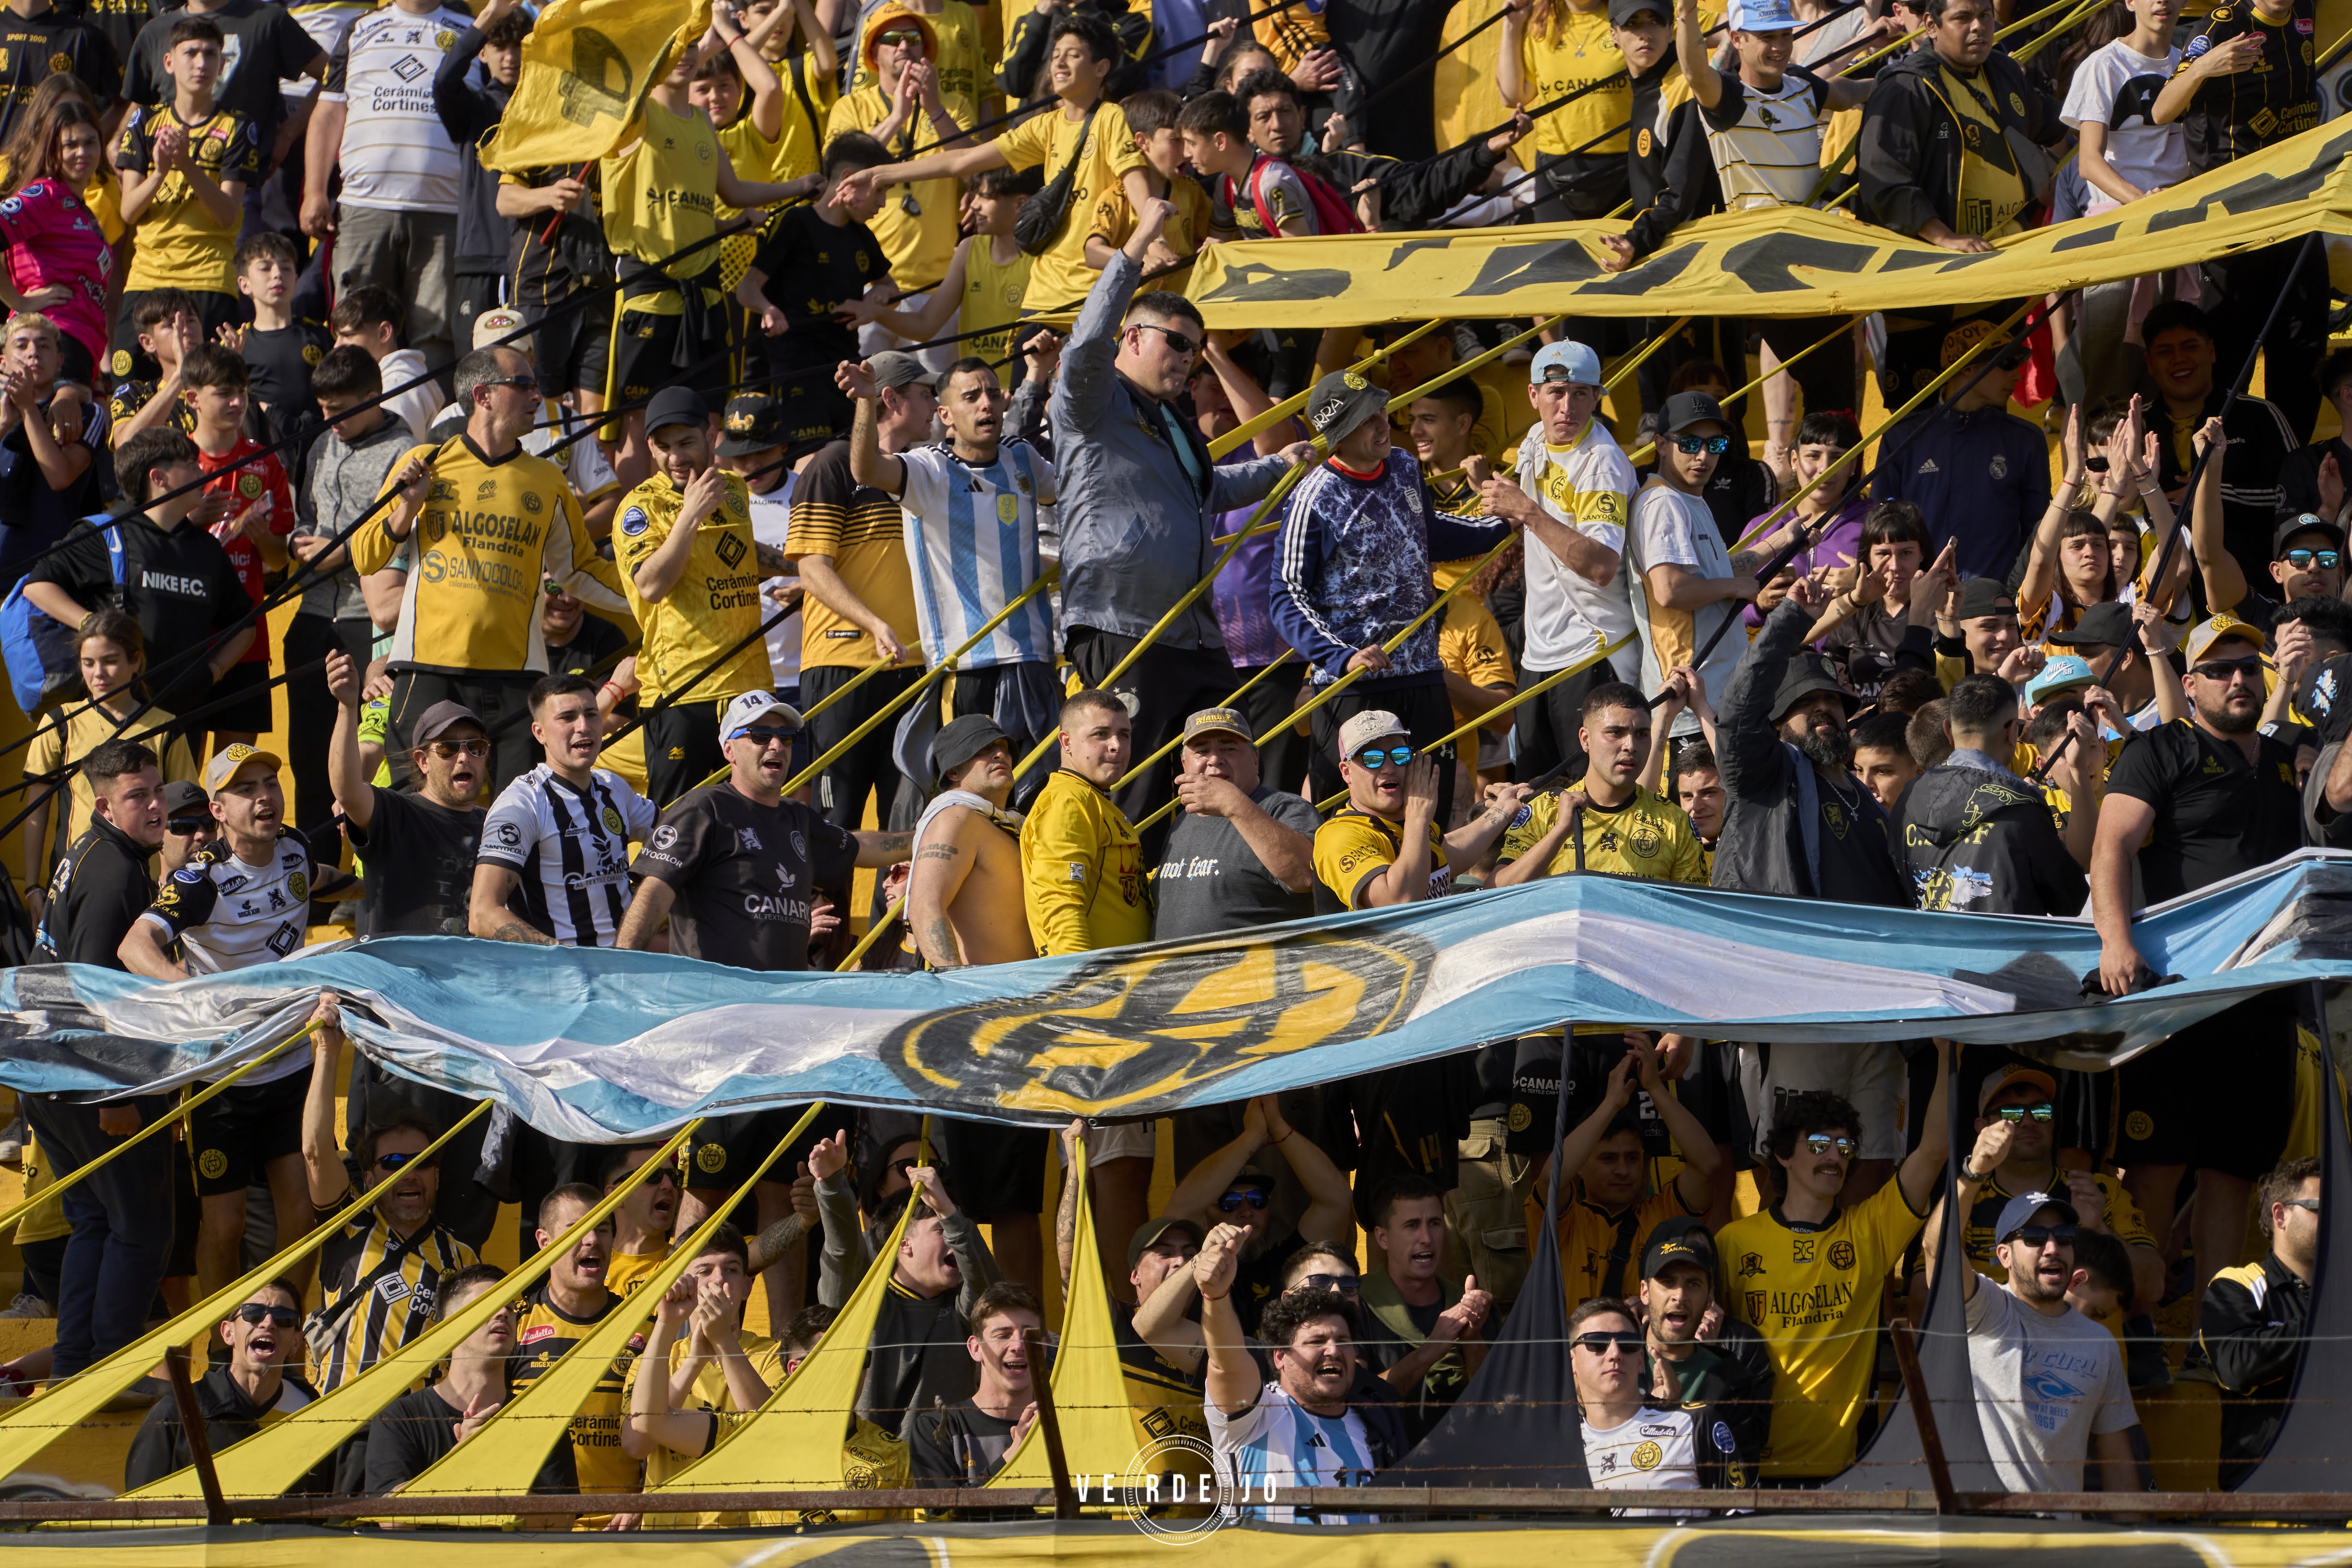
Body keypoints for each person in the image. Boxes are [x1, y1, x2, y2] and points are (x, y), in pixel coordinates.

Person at [1044, 196, 1303, 828]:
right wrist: (1136, 245)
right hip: (1122, 624)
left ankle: (1208, 877)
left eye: (1196, 348)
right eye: (1177, 343)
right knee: (1135, 788)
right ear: (1132, 338)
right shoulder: (1092, 400)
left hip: (1192, 633)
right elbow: (1085, 344)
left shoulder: (1172, 422)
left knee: (1225, 765)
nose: (1188, 358)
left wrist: (1281, 466)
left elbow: (1204, 493)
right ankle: (1128, 889)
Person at [2093, 613, 2302, 1296]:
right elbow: (2110, 845)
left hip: (2264, 994)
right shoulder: (2156, 749)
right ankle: (2140, 1321)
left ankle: (2212, 1328)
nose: (2237, 680)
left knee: (2233, 1172)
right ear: (2188, 684)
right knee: (2155, 1164)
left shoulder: (2285, 759)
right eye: (2218, 670)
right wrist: (2114, 941)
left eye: (2246, 668)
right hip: (2176, 993)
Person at [353, 346, 633, 791]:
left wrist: (655, 591)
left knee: (518, 811)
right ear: (483, 395)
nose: (537, 396)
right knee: (417, 807)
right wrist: (406, 508)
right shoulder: (427, 462)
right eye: (524, 385)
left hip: (515, 677)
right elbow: (365, 555)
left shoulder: (548, 480)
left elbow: (579, 570)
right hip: (428, 668)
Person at [1714, 583, 1913, 1178]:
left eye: (1833, 700)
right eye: (1807, 703)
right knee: (1793, 1156)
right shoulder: (1768, 777)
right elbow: (1736, 715)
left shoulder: (1871, 804)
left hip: (1876, 1007)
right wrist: (1788, 620)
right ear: (1778, 721)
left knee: (1875, 1158)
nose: (1825, 709)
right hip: (1801, 999)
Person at [117, 745, 314, 1296]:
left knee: (302, 1214)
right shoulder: (200, 879)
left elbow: (313, 878)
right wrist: (191, 995)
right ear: (219, 810)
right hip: (222, 1079)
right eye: (245, 789)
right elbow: (134, 946)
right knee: (225, 1227)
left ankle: (288, 1324)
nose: (264, 797)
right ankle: (221, 1338)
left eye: (270, 783)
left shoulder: (297, 846)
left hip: (292, 1065)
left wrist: (365, 889)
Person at [1272, 366, 1514, 810]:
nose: (1384, 425)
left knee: (1431, 813)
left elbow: (1428, 533)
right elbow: (1286, 596)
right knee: (1352, 821)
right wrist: (1342, 657)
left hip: (1423, 676)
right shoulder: (1313, 497)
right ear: (1340, 434)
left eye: (1382, 413)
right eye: (1367, 420)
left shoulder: (1403, 464)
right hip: (1355, 686)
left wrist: (1502, 525)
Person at [1716, 1043, 1952, 1482]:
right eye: (1819, 1144)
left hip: (1837, 1476)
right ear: (1783, 1155)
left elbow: (1934, 1149)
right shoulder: (1733, 1241)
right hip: (1745, 1470)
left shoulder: (1871, 1231)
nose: (1834, 1156)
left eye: (1844, 1146)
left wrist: (1945, 1053)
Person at [18, 739, 170, 1385]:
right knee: (140, 1225)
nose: (156, 805)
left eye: (158, 791)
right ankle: (108, 1373)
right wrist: (115, 1094)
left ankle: (73, 1369)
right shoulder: (114, 875)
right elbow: (90, 990)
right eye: (138, 797)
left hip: (42, 1072)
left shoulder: (89, 851)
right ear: (105, 806)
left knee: (93, 1219)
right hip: (88, 1080)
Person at [846, 352, 1060, 787]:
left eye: (992, 393)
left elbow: (1073, 495)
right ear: (945, 415)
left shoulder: (1023, 459)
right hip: (968, 665)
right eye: (971, 396)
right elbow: (866, 469)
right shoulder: (929, 468)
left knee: (1039, 791)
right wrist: (866, 403)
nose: (986, 403)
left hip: (1034, 658)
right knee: (977, 794)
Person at [1673, 0, 1869, 427]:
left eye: (1785, 35)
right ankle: (1812, 461)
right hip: (1765, 262)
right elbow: (1694, 72)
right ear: (1738, 40)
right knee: (1829, 388)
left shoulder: (1801, 83)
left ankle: (1825, 465)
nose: (1780, 46)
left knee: (1837, 392)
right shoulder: (1726, 95)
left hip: (1817, 254)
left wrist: (1902, 81)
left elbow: (1847, 94)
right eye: (1767, 37)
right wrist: (1686, 15)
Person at [1855, 0, 2061, 397]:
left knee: (1991, 408)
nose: (1979, 27)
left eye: (1985, 16)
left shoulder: (2003, 70)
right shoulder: (1905, 86)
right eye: (1963, 18)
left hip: (2000, 273)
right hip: (1931, 290)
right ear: (1931, 26)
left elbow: (2051, 123)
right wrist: (1944, 237)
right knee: (1925, 415)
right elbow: (1885, 185)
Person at [2150, 0, 2324, 440]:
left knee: (2301, 350)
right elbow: (2161, 111)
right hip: (2236, 219)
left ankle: (2290, 465)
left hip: (2297, 208)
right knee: (2232, 353)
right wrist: (2203, 68)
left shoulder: (2304, 12)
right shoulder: (2221, 26)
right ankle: (2222, 461)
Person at [1927, 1143, 2143, 1496]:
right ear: (2005, 1256)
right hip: (1985, 1527)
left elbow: (2118, 1463)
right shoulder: (1988, 1308)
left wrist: (2132, 1529)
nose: (2053, 1248)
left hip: (2062, 1529)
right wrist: (1972, 1173)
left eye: (2065, 1236)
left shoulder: (2100, 1343)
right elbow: (1937, 1249)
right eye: (2035, 1237)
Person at [611, 387, 790, 804]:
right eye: (664, 447)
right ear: (650, 448)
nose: (676, 457)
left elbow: (739, 553)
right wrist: (690, 515)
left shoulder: (732, 488)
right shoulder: (640, 507)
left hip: (750, 685)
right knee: (680, 822)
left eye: (686, 443)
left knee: (758, 813)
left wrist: (804, 565)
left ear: (711, 437)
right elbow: (651, 585)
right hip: (683, 689)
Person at [1478, 340, 1641, 780]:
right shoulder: (1535, 439)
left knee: (1591, 795)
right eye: (1557, 392)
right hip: (1540, 653)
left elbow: (1601, 565)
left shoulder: (1602, 462)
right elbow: (1529, 524)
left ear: (1597, 397)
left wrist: (1527, 510)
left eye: (1581, 393)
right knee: (1536, 795)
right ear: (1534, 396)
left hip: (1593, 649)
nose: (1567, 406)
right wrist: (1496, 498)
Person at [300, 1003, 479, 1391]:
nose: (409, 1173)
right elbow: (316, 1152)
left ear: (437, 1175)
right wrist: (327, 1051)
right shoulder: (349, 1227)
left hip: (419, 1424)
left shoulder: (464, 1258)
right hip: (343, 1420)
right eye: (394, 1162)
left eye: (422, 1162)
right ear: (369, 1178)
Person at [788, 350, 928, 835]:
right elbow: (812, 569)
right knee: (836, 825)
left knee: (905, 826)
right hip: (843, 666)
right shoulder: (832, 463)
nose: (935, 404)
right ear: (892, 399)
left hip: (913, 667)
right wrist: (873, 624)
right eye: (925, 393)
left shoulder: (922, 470)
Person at [21, 427, 248, 726]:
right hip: (111, 719)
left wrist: (212, 672)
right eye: (191, 465)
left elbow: (245, 624)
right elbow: (38, 586)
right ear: (159, 478)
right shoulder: (106, 532)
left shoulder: (207, 549)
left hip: (182, 719)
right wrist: (92, 625)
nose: (202, 472)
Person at [1195, 1224, 1382, 1524]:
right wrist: (1216, 1296)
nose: (1333, 1350)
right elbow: (1226, 1363)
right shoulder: (1258, 1415)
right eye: (1317, 1341)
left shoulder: (1374, 1424)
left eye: (1343, 1341)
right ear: (1280, 1356)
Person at [1624, 392, 1792, 720]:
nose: (1703, 455)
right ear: (1661, 444)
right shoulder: (1663, 503)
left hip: (1713, 697)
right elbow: (1671, 590)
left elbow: (1716, 572)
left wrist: (1784, 539)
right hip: (1687, 703)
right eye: (1689, 444)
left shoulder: (1688, 499)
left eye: (1714, 444)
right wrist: (1735, 588)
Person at [358, 1261, 578, 1506]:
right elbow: (392, 1519)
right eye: (488, 1304)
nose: (503, 1312)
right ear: (449, 1326)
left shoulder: (543, 1423)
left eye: (510, 1306)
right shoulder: (399, 1417)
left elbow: (561, 1518)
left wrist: (492, 1471)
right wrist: (459, 1462)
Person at [2056, 0, 2187, 411]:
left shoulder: (2190, 65)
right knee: (2110, 388)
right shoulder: (2103, 65)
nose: (2161, 2)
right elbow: (2089, 163)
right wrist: (2142, 203)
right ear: (2129, 2)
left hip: (2180, 238)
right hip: (2117, 238)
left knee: (2171, 385)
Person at [472, 670, 658, 949]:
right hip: (561, 970)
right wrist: (565, 956)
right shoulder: (522, 803)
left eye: (591, 714)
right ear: (540, 733)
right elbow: (482, 914)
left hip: (629, 962)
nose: (584, 726)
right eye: (567, 718)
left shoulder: (614, 787)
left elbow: (677, 836)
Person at [619, 1226, 789, 1526]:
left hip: (751, 1535)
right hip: (670, 1534)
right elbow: (636, 1445)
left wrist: (723, 1340)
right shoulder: (654, 1361)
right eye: (704, 1271)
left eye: (732, 1269)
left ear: (747, 1287)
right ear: (682, 1283)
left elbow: (772, 1436)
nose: (719, 1279)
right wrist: (680, 1342)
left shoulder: (775, 1355)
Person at [1960, 1064, 2165, 1313]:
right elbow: (1927, 1295)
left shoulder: (2102, 1191)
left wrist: (2098, 1230)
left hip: (2089, 1339)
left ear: (2053, 1121)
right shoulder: (1966, 1200)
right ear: (1983, 1127)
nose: (2028, 1121)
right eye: (2011, 1113)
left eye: (2041, 1111)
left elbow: (2154, 1286)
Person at [21, 610, 199, 895]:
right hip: (75, 879)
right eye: (88, 663)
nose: (98, 673)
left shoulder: (166, 726)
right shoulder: (60, 723)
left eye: (111, 661)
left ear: (135, 661)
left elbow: (185, 809)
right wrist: (32, 886)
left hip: (148, 882)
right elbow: (36, 810)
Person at [734, 132, 892, 445]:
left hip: (845, 372)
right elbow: (747, 289)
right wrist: (767, 309)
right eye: (879, 190)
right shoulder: (796, 222)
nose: (883, 203)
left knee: (849, 457)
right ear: (848, 179)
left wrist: (878, 299)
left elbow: (889, 285)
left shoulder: (862, 236)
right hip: (796, 371)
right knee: (810, 459)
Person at [1897, 673, 2097, 914]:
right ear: (2013, 732)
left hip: (1927, 938)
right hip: (2004, 939)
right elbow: (2070, 900)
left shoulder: (1907, 797)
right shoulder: (2022, 808)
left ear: (1948, 730)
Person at [1155, 1094, 1355, 1335]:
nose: (1246, 1210)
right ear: (1208, 1213)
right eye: (1229, 1203)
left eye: (1257, 1200)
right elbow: (1181, 1210)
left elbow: (1337, 1200)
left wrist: (1278, 1126)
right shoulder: (1196, 1266)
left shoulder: (1288, 1261)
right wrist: (1253, 1135)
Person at [115, 17, 260, 345]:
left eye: (211, 54)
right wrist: (160, 173)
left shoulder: (238, 126)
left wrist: (187, 165)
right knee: (130, 375)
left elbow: (227, 214)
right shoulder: (146, 121)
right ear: (169, 62)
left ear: (222, 65)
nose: (201, 63)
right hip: (147, 279)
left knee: (204, 376)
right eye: (191, 53)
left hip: (208, 278)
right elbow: (129, 212)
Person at [503, 1183, 641, 1514]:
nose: (592, 1239)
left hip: (620, 1530)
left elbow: (666, 1430)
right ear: (544, 1242)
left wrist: (646, 1500)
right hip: (535, 1527)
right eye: (578, 1229)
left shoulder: (644, 1326)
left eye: (603, 1229)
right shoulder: (513, 1326)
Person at [1493, 681, 1710, 888]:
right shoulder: (1543, 811)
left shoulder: (1677, 822)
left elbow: (1694, 909)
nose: (1631, 746)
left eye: (1642, 734)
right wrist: (1559, 832)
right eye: (1616, 733)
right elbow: (1495, 891)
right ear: (1585, 739)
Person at [1311, 708, 1526, 913]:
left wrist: (1503, 810)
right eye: (1372, 758)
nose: (1389, 768)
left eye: (1400, 755)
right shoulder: (1339, 836)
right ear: (1347, 772)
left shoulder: (1410, 822)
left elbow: (1448, 856)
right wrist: (1417, 819)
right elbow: (1397, 902)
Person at [2139, 302, 2296, 580]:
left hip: (2248, 582)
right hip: (2155, 588)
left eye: (2189, 347)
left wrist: (2210, 493)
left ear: (2211, 351)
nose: (2179, 359)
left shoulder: (2260, 415)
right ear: (2150, 363)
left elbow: (2296, 498)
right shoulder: (2134, 425)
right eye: (2165, 352)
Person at [1871, 342, 2052, 581]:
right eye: (2007, 364)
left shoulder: (2025, 439)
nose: (2017, 376)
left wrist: (2013, 589)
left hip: (1996, 596)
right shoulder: (1903, 437)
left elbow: (2038, 531)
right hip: (1920, 593)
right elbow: (1880, 527)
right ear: (1967, 367)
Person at [125, 1279, 328, 1491]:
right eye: (253, 1313)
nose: (268, 1323)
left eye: (284, 1318)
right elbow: (139, 1507)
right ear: (228, 1333)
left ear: (296, 1342)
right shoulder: (176, 1413)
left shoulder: (312, 1411)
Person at [2201, 1155, 2319, 1485]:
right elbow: (2237, 1367)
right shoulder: (2236, 1284)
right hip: (2264, 1494)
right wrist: (2325, 1321)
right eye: (2320, 1208)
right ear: (2280, 1215)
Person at [1151, 706, 1317, 940]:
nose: (1215, 759)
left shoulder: (1285, 808)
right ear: (1184, 764)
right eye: (1201, 751)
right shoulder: (1181, 822)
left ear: (1255, 759)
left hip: (1258, 963)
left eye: (1229, 749)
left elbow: (1306, 877)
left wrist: (1233, 803)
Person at [1569, 1297, 1744, 1512]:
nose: (1615, 1354)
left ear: (1640, 1360)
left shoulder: (1695, 1424)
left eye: (1628, 1344)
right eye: (1597, 1343)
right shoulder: (1560, 1444)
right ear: (1572, 1361)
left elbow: (1741, 1519)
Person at [1355, 1174, 1492, 1442]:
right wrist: (1431, 1350)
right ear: (1382, 1238)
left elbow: (1496, 1405)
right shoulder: (1358, 1305)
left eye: (1435, 1224)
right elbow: (1354, 1401)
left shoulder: (1469, 1305)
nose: (1427, 1238)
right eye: (1412, 1226)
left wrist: (1472, 1340)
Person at [426, 0, 525, 360]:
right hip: (478, 260)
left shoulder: (548, 112)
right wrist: (486, 19)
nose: (510, 57)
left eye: (519, 46)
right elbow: (444, 80)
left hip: (531, 261)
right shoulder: (472, 108)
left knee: (526, 366)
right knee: (471, 367)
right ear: (482, 53)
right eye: (499, 46)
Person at [1635, 1219, 1774, 1460]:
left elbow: (1738, 1469)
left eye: (1693, 1284)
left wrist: (1674, 1420)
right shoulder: (1610, 1358)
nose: (1680, 1296)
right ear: (1645, 1292)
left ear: (1710, 1295)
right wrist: (1649, 1414)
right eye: (1668, 1282)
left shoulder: (1732, 1382)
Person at [0, 97, 113, 390]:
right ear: (52, 150)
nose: (82, 152)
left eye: (90, 143)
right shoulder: (45, 194)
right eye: (70, 145)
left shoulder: (80, 207)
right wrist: (21, 303)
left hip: (78, 347)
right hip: (47, 339)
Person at [0, 313, 106, 587]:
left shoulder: (86, 413)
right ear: (3, 362)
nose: (33, 353)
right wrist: (3, 425)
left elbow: (59, 477)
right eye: (21, 345)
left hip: (47, 575)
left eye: (44, 346)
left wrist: (28, 408)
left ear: (60, 361)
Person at [907, 1281, 1047, 1487]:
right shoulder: (938, 1428)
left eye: (1029, 1336)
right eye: (1003, 1336)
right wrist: (1012, 1456)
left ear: (1043, 1349)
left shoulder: (1064, 1426)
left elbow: (1089, 1500)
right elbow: (943, 1508)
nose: (1018, 1346)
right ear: (976, 1349)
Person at [327, 284, 438, 440]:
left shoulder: (398, 386)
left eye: (348, 335)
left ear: (384, 333)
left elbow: (396, 451)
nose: (337, 346)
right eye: (337, 337)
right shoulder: (388, 379)